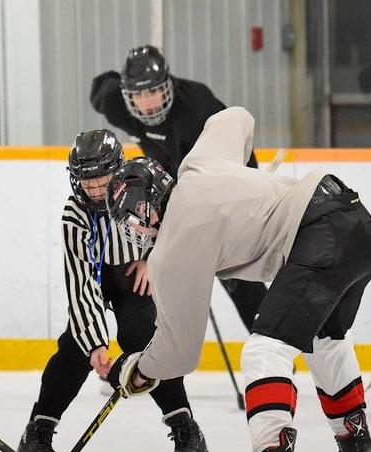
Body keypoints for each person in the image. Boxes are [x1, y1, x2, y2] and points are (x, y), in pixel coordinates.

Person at [106, 108, 371, 452]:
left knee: (262, 351)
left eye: (134, 217)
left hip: (319, 238)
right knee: (326, 340)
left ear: (149, 206)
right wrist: (237, 178)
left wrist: (140, 368)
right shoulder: (197, 165)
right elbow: (236, 118)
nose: (135, 228)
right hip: (358, 223)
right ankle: (355, 445)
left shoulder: (172, 249)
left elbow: (180, 353)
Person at [14, 129, 210, 452]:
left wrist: (153, 258)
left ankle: (185, 426)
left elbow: (175, 223)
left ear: (118, 169)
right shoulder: (75, 215)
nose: (92, 189)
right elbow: (81, 284)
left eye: (100, 180)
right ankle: (38, 433)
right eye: (85, 181)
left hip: (134, 272)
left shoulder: (143, 183)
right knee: (75, 344)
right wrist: (95, 343)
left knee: (144, 339)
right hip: (95, 274)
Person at [91, 44, 267, 338]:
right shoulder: (115, 103)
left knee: (237, 276)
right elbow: (101, 85)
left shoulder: (198, 110)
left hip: (221, 185)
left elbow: (236, 157)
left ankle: (273, 353)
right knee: (143, 275)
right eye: (138, 94)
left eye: (153, 92)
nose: (146, 103)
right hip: (168, 184)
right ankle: (139, 356)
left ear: (168, 85)